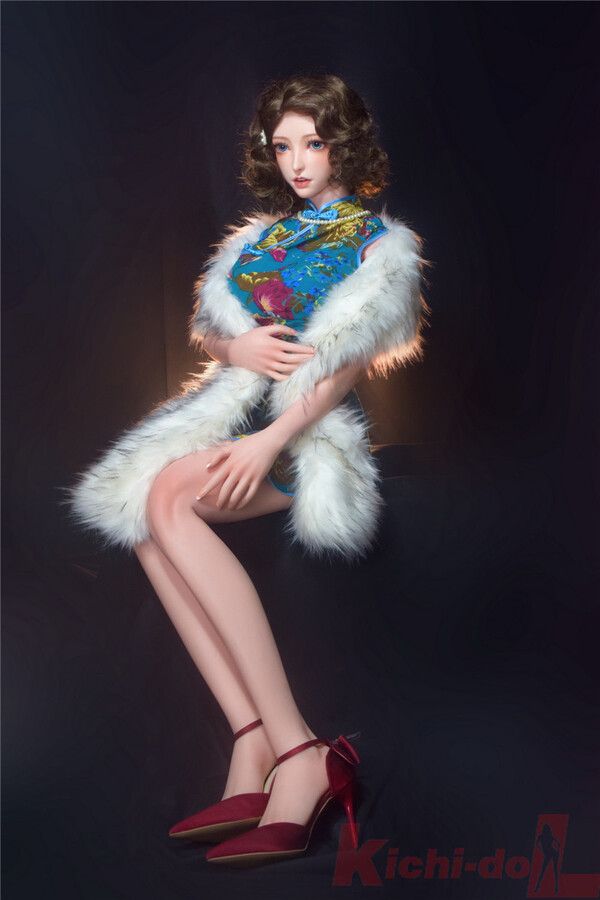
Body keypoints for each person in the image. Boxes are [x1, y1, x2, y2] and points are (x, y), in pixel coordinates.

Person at [64, 72, 428, 865]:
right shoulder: (259, 240)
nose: (298, 162)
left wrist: (271, 441)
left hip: (306, 430)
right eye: (284, 146)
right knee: (147, 511)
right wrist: (237, 347)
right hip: (236, 412)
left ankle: (298, 749)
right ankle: (252, 736)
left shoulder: (377, 245)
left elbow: (344, 368)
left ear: (343, 146)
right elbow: (210, 330)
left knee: (167, 493)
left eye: (314, 143)